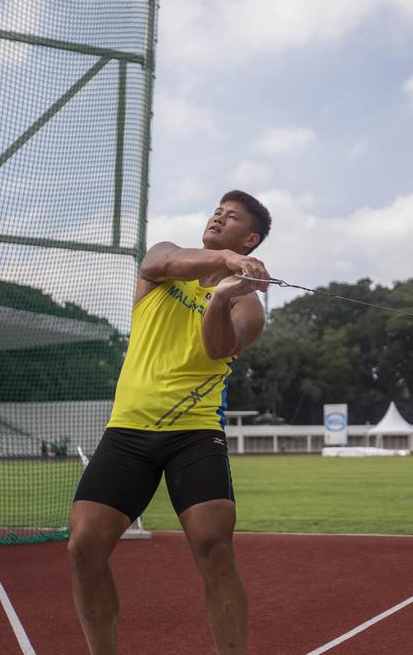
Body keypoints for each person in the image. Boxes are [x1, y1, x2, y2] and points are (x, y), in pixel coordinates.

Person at [68, 190, 272, 655]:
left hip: (195, 432)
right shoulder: (167, 258)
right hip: (128, 429)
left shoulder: (249, 307)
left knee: (214, 547)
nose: (218, 217)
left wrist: (222, 296)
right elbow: (160, 262)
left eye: (232, 217)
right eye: (218, 211)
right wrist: (224, 260)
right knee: (83, 546)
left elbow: (218, 348)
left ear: (251, 239)